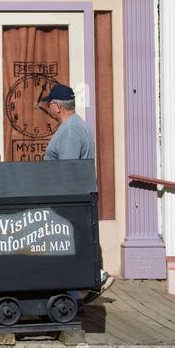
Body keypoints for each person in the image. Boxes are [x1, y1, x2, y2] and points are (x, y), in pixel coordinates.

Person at [38, 83, 115, 300]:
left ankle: (89, 282)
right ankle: (77, 292)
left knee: (68, 247)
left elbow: (67, 172)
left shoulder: (70, 132)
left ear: (56, 106)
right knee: (72, 246)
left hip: (69, 202)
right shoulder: (78, 126)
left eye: (49, 105)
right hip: (78, 200)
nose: (48, 109)